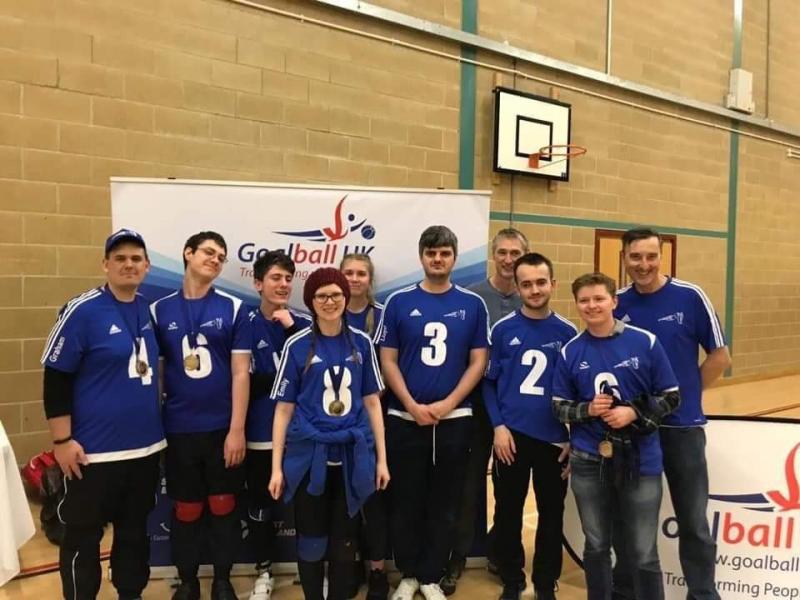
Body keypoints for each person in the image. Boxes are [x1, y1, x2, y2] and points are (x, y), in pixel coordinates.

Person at [41, 229, 165, 600]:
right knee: (82, 534)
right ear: (105, 265)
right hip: (93, 453)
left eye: (136, 258)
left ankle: (131, 593)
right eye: (120, 258)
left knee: (133, 532)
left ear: (147, 265)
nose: (129, 264)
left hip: (143, 450)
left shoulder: (146, 308)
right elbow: (56, 377)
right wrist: (62, 441)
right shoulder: (83, 310)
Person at [613, 228, 731, 600]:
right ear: (624, 258)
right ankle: (630, 592)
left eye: (651, 256)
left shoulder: (690, 296)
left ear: (661, 257)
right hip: (633, 431)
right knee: (630, 521)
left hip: (682, 429)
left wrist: (685, 394)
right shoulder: (615, 304)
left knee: (694, 521)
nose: (643, 265)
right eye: (636, 257)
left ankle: (702, 594)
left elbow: (720, 356)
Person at [552, 272, 680, 600]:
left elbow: (671, 396)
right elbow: (559, 408)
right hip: (588, 459)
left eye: (599, 298)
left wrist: (634, 412)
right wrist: (588, 411)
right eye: (584, 300)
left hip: (640, 458)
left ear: (614, 301)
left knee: (642, 550)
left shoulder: (644, 342)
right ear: (577, 304)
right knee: (595, 544)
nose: (592, 306)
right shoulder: (570, 352)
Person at [377, 225, 489, 600]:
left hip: (454, 420)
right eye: (431, 252)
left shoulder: (473, 304)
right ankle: (408, 574)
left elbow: (478, 362)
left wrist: (448, 403)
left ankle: (431, 574)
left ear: (454, 257)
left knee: (445, 502)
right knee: (406, 500)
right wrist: (410, 403)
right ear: (421, 256)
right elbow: (387, 359)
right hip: (404, 418)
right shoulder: (397, 302)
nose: (437, 259)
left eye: (444, 253)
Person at [268, 268, 389, 600]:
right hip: (309, 457)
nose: (330, 301)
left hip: (352, 456)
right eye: (322, 295)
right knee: (311, 541)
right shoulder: (296, 344)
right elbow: (283, 410)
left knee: (344, 541)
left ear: (345, 297)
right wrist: (277, 467)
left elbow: (373, 404)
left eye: (336, 294)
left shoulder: (362, 342)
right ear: (310, 302)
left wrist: (382, 460)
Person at [150, 231, 252, 600]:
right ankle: (188, 580)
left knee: (224, 504)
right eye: (209, 252)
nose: (216, 259)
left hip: (222, 427)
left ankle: (222, 580)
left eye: (222, 256)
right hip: (179, 430)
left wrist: (236, 429)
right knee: (187, 508)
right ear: (187, 253)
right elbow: (158, 375)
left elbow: (241, 372)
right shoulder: (159, 310)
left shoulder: (234, 308)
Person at [485, 253, 576, 600]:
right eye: (527, 283)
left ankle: (545, 579)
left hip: (554, 441)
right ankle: (512, 577)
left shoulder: (568, 332)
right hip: (512, 437)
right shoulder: (503, 329)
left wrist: (573, 437)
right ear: (517, 286)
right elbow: (489, 383)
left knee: (552, 514)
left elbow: (577, 391)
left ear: (552, 284)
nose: (534, 289)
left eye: (541, 282)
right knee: (507, 510)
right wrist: (498, 427)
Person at [444, 227, 529, 594]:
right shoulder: (474, 298)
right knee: (468, 485)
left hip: (519, 411)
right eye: (503, 252)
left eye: (515, 253)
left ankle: (501, 550)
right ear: (493, 255)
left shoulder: (533, 297)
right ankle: (457, 555)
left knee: (510, 490)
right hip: (477, 409)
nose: (509, 259)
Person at [245, 251, 311, 600]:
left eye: (288, 278)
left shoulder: (304, 323)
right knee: (260, 507)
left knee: (307, 508)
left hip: (300, 435)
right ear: (258, 283)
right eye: (275, 278)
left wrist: (290, 330)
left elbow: (312, 376)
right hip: (258, 434)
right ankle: (263, 572)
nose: (283, 284)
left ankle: (311, 572)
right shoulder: (245, 322)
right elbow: (244, 381)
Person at [340, 253, 390, 600]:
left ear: (370, 279)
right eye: (348, 273)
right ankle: (348, 565)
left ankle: (377, 571)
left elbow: (392, 365)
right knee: (342, 502)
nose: (355, 278)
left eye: (361, 273)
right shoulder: (327, 313)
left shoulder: (383, 316)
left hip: (374, 421)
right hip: (335, 424)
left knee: (374, 502)